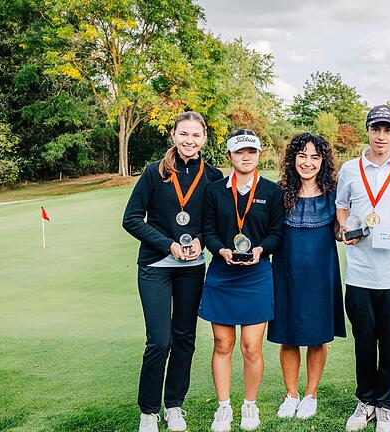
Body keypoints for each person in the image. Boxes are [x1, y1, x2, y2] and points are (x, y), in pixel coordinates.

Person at [122, 111, 224, 432]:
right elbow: (132, 219)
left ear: (204, 139)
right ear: (174, 136)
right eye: (184, 134)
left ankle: (174, 405)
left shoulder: (213, 176)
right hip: (155, 266)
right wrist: (168, 244)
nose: (189, 141)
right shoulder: (155, 172)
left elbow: (216, 223)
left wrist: (200, 239)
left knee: (184, 338)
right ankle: (149, 411)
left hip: (191, 268)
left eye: (196, 135)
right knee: (159, 341)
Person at [336, 105, 390, 432]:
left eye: (388, 130)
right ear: (368, 131)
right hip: (359, 270)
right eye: (376, 129)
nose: (381, 136)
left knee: (388, 340)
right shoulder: (349, 169)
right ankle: (365, 401)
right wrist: (345, 228)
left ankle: (385, 405)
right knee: (364, 338)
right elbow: (341, 207)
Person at [199, 129, 284, 431]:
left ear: (259, 154)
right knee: (223, 343)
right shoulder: (214, 190)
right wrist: (220, 250)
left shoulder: (272, 191)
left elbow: (276, 233)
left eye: (251, 151)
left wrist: (261, 249)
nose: (246, 157)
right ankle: (223, 407)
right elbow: (207, 231)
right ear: (229, 156)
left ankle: (249, 405)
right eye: (239, 152)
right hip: (223, 273)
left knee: (250, 346)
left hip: (257, 274)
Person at [269, 132, 347, 420]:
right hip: (286, 273)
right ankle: (291, 394)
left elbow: (341, 232)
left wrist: (348, 231)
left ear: (323, 160)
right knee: (288, 337)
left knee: (317, 338)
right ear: (293, 159)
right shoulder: (278, 192)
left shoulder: (335, 193)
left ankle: (311, 394)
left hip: (321, 274)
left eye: (315, 156)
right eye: (302, 155)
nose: (308, 162)